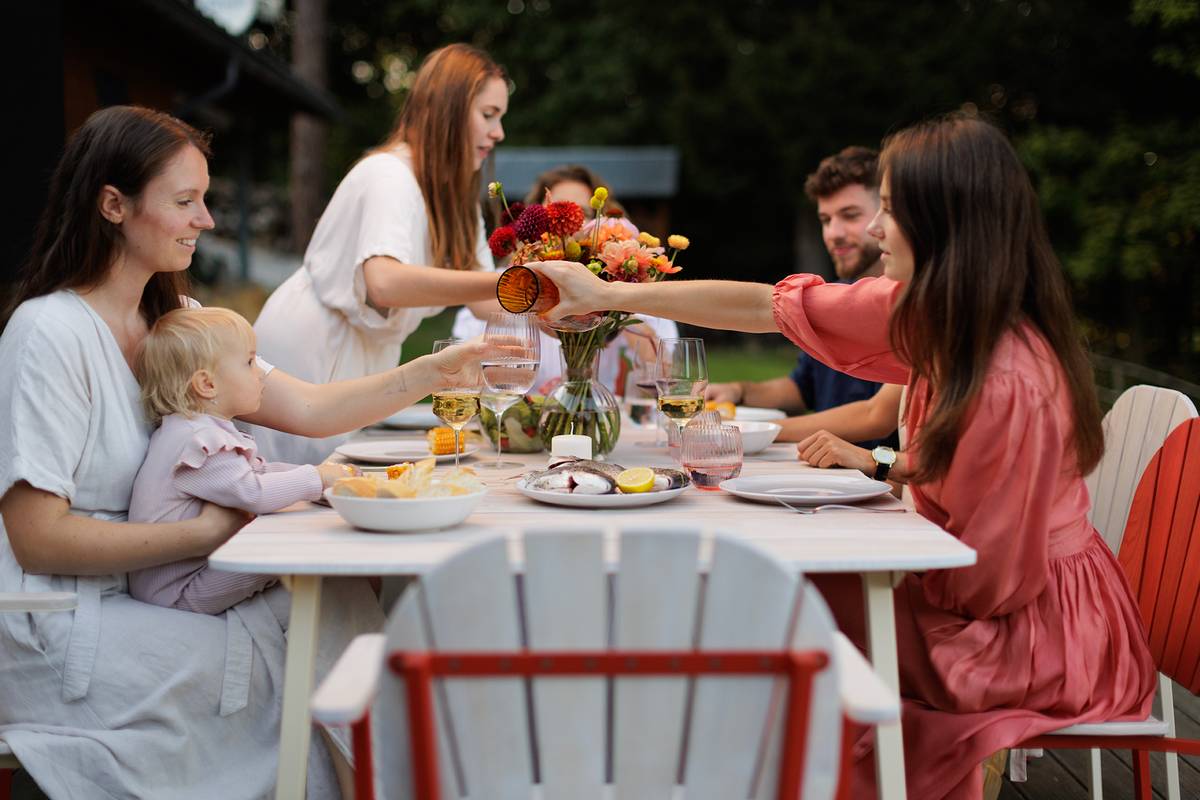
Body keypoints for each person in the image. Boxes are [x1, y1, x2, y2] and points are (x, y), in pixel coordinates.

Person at [531, 114, 1156, 799]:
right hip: (977, 592)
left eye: (890, 209)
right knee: (773, 595)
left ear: (945, 223)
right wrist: (611, 295)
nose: (876, 230)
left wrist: (890, 559)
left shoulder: (1008, 378)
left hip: (1035, 636)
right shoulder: (931, 311)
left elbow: (988, 585)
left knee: (781, 608)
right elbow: (765, 306)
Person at [0, 105, 483, 799]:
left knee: (334, 607)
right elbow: (37, 537)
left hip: (162, 592)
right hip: (60, 620)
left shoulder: (182, 324)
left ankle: (401, 781)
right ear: (113, 205)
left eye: (205, 200)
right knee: (282, 660)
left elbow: (310, 408)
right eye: (185, 201)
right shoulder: (48, 332)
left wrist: (433, 372)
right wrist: (207, 534)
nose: (206, 220)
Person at [251, 43, 509, 464]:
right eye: (488, 114)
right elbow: (384, 282)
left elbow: (485, 301)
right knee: (292, 485)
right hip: (315, 348)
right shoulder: (389, 174)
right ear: (447, 110)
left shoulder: (455, 199)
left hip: (365, 361)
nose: (498, 133)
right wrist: (512, 281)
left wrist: (563, 303)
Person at [127, 307, 358, 614]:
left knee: (287, 540)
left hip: (190, 574)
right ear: (207, 384)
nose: (260, 372)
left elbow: (257, 472)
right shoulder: (198, 441)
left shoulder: (197, 429)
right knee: (282, 551)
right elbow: (253, 492)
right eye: (249, 362)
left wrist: (323, 479)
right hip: (177, 592)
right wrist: (315, 478)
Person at [705, 147, 897, 447]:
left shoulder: (909, 300)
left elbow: (875, 416)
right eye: (825, 219)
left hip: (881, 473)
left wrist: (748, 431)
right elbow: (801, 388)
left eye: (850, 215)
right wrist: (739, 390)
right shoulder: (837, 292)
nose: (833, 233)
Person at [451, 164, 678, 394]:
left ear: (601, 221)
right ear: (534, 221)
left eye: (583, 213)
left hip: (592, 410)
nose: (570, 223)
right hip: (518, 412)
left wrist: (620, 312)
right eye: (554, 212)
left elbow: (662, 382)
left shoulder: (621, 284)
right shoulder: (505, 285)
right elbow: (463, 380)